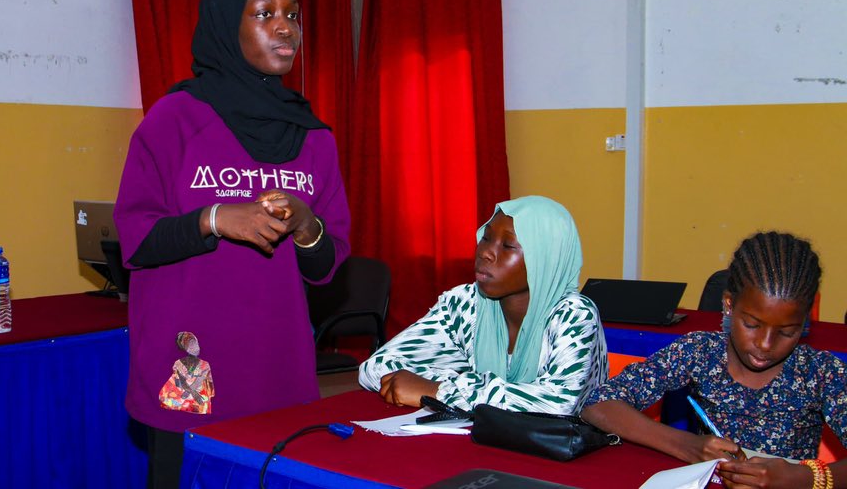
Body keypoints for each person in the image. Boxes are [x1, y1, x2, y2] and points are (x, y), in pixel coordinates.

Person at [114, 0, 351, 489]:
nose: (285, 27)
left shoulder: (314, 138)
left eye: (292, 15)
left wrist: (308, 225)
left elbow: (328, 266)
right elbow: (136, 238)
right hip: (192, 361)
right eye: (264, 14)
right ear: (227, 25)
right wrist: (217, 218)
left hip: (277, 362)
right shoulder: (174, 119)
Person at [581, 231, 847, 489]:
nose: (766, 345)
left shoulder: (820, 372)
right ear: (730, 305)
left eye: (787, 332)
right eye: (752, 325)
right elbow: (598, 405)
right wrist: (689, 445)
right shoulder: (701, 351)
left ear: (805, 321)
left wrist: (803, 479)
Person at [358, 195, 608, 415]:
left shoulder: (574, 315)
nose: (485, 253)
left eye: (508, 246)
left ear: (546, 259)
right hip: (485, 442)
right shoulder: (464, 304)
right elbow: (376, 367)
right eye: (486, 238)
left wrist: (440, 391)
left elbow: (557, 405)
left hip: (567, 459)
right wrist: (456, 387)